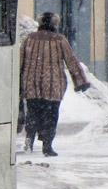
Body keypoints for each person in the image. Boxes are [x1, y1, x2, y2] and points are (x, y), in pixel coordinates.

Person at [19, 11, 90, 156]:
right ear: (55, 25)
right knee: (50, 115)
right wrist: (80, 81)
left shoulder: (29, 39)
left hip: (31, 84)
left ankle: (29, 140)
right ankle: (47, 146)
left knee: (32, 112)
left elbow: (20, 60)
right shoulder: (59, 40)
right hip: (53, 85)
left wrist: (17, 82)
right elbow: (71, 60)